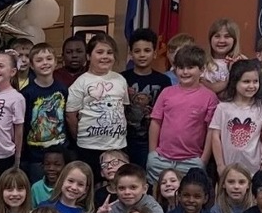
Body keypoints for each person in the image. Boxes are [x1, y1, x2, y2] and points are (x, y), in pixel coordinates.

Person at [146, 44, 218, 184]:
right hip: (161, 159)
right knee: (158, 197)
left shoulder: (209, 97)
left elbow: (211, 130)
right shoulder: (167, 92)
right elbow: (156, 122)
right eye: (181, 67)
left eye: (190, 67)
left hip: (191, 161)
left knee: (188, 200)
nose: (185, 72)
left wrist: (203, 159)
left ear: (202, 69)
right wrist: (152, 153)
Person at [65, 34, 130, 178]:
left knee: (119, 182)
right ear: (89, 56)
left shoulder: (120, 80)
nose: (105, 56)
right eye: (99, 52)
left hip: (117, 145)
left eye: (109, 52)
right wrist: (80, 137)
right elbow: (70, 115)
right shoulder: (81, 82)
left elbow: (122, 107)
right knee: (91, 183)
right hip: (89, 147)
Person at [122, 27, 171, 168]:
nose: (142, 55)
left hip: (151, 140)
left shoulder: (163, 81)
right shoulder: (122, 78)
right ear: (131, 54)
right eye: (137, 51)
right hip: (125, 139)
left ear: (155, 53)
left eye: (147, 51)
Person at [20, 42, 67, 184]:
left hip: (60, 152)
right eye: (39, 60)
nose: (45, 63)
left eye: (48, 58)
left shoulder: (63, 89)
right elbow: (23, 124)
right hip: (35, 155)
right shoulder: (26, 93)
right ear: (32, 65)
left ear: (56, 62)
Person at [201, 18, 244, 96]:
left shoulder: (241, 61)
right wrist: (231, 75)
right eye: (217, 36)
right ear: (210, 39)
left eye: (227, 36)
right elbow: (210, 88)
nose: (221, 40)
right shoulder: (200, 61)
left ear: (234, 40)